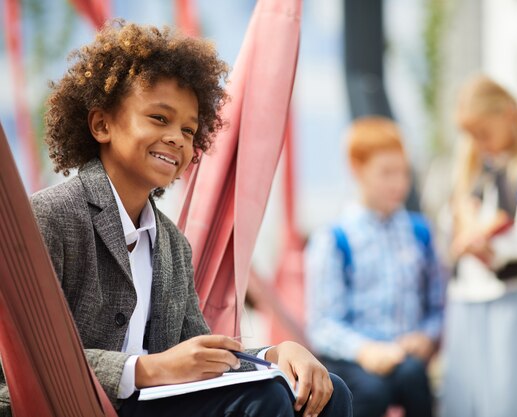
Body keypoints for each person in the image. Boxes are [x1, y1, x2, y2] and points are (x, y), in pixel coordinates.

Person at [0, 20, 352, 417]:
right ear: (102, 125)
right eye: (160, 119)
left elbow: (200, 353)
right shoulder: (49, 218)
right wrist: (146, 370)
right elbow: (9, 367)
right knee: (263, 400)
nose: (177, 139)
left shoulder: (171, 244)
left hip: (156, 407)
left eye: (189, 129)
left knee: (325, 391)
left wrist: (278, 352)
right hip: (80, 408)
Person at [305, 116, 445, 417]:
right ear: (357, 169)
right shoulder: (335, 239)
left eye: (403, 173)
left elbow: (437, 304)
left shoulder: (419, 232)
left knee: (414, 378)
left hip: (406, 357)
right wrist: (365, 351)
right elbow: (323, 325)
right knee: (370, 391)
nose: (398, 184)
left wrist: (426, 335)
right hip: (355, 360)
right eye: (386, 173)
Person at [440, 75, 517, 417]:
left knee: (509, 398)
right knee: (464, 397)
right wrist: (462, 222)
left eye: (483, 133)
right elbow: (450, 225)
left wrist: (492, 248)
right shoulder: (472, 174)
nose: (479, 143)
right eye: (472, 136)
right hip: (464, 298)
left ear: (507, 115)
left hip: (510, 297)